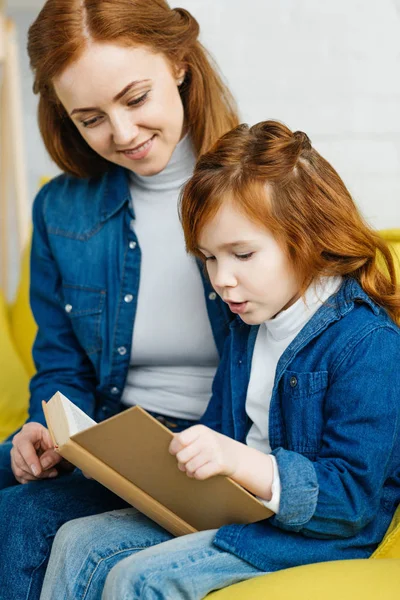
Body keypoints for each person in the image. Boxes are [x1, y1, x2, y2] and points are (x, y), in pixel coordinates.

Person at [39, 120, 400, 600]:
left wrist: (239, 462)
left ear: (309, 236)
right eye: (209, 258)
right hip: (237, 511)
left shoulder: (368, 343)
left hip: (315, 534)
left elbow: (349, 500)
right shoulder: (246, 329)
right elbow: (219, 431)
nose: (222, 279)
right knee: (77, 537)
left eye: (243, 254)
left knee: (142, 578)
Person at [0, 1, 240, 598]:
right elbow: (61, 365)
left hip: (212, 447)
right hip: (104, 435)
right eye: (90, 118)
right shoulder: (61, 209)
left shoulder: (262, 190)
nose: (123, 134)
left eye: (135, 99)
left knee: (25, 519)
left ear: (180, 63)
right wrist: (42, 425)